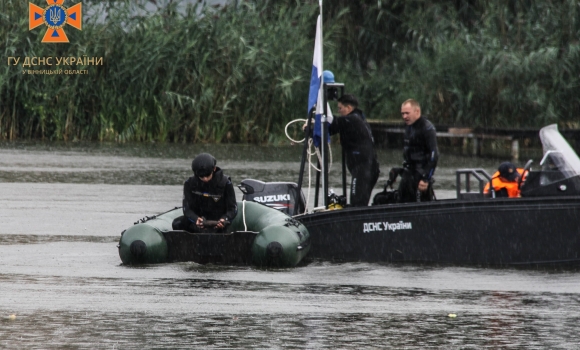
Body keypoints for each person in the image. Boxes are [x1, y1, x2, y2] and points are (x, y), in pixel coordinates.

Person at [328, 93, 380, 206]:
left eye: (340, 108)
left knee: (357, 204)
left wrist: (310, 129)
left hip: (363, 169)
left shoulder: (352, 119)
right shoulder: (358, 117)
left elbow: (331, 125)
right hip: (369, 168)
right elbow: (332, 128)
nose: (339, 111)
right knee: (359, 203)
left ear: (349, 108)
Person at [172, 153, 237, 233]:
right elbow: (187, 209)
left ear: (214, 169)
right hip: (198, 222)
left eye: (207, 175)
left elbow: (233, 208)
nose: (205, 179)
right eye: (202, 176)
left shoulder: (226, 183)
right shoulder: (189, 184)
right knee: (177, 223)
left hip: (218, 223)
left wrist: (224, 219)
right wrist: (195, 219)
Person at [398, 99, 439, 203]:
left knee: (419, 204)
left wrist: (426, 178)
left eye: (407, 113)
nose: (404, 117)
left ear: (417, 111)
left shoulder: (427, 128)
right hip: (409, 172)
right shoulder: (408, 127)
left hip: (420, 173)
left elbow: (434, 155)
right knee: (401, 200)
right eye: (402, 114)